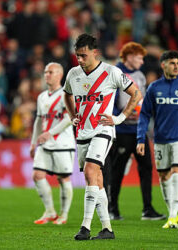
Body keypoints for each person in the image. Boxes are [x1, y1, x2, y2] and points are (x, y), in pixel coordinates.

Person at [64, 34, 142, 240]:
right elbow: (67, 94)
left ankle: (85, 227)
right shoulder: (73, 74)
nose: (79, 60)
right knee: (95, 179)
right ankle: (107, 229)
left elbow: (136, 94)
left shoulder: (111, 72)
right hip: (82, 131)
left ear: (94, 53)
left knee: (91, 171)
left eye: (83, 55)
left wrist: (119, 118)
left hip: (103, 130)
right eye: (77, 56)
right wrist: (73, 116)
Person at [136, 51, 178, 229]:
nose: (176, 66)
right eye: (172, 63)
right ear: (163, 65)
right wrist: (140, 138)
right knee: (163, 176)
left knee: (177, 172)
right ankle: (173, 212)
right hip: (160, 139)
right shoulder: (154, 88)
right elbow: (144, 115)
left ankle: (172, 216)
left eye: (177, 63)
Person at [104, 41, 166, 221]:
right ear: (130, 57)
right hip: (122, 130)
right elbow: (111, 101)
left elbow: (142, 100)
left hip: (138, 130)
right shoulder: (115, 74)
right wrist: (118, 118)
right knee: (118, 170)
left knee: (146, 167)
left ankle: (148, 209)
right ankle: (112, 208)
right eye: (139, 57)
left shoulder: (139, 75)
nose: (142, 61)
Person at [30, 62, 75, 225]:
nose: (47, 74)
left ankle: (63, 214)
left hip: (62, 143)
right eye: (45, 72)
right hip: (44, 143)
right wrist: (33, 143)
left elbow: (70, 118)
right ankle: (49, 211)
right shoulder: (41, 96)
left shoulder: (67, 94)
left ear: (60, 75)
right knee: (37, 175)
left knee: (63, 178)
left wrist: (51, 133)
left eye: (51, 72)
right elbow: (38, 120)